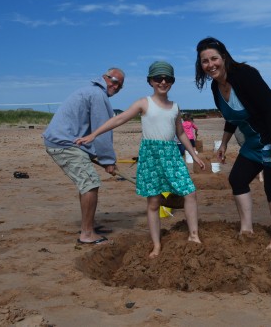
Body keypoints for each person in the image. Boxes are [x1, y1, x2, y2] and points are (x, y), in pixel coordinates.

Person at [76, 61, 203, 258]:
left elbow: (181, 133)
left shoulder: (175, 107)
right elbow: (118, 119)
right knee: (153, 202)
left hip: (171, 156)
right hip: (150, 156)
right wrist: (93, 135)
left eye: (167, 78)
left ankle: (194, 236)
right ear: (150, 81)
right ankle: (156, 245)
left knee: (189, 193)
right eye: (158, 78)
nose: (162, 82)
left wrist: (194, 155)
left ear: (172, 82)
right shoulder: (144, 103)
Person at [195, 37, 271, 251]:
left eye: (214, 58)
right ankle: (246, 230)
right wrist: (224, 144)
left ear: (224, 57)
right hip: (254, 139)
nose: (211, 65)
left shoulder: (245, 75)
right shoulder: (216, 87)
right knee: (238, 179)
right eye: (205, 61)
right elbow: (231, 115)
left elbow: (269, 109)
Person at [43, 67, 125, 245]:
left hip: (67, 142)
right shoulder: (97, 95)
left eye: (121, 85)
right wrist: (108, 160)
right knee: (90, 183)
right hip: (63, 143)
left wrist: (101, 158)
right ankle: (87, 234)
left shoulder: (91, 92)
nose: (117, 87)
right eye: (114, 81)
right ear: (105, 78)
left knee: (87, 182)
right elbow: (103, 129)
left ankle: (90, 225)